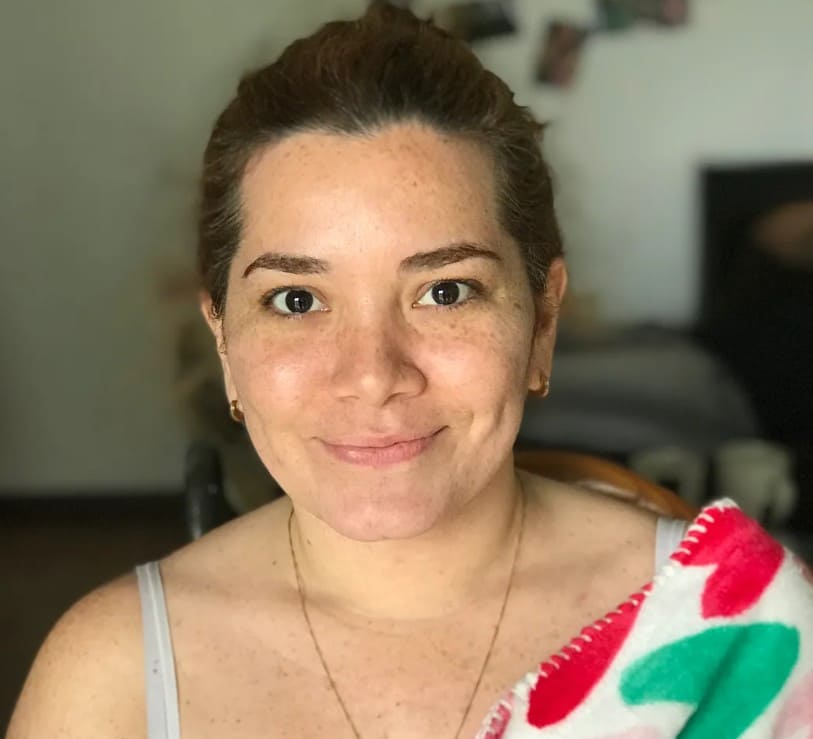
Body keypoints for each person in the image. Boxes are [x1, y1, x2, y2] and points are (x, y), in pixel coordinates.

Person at [9, 3, 813, 738]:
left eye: (445, 290)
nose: (371, 374)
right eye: (296, 300)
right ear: (222, 338)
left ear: (541, 320)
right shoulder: (113, 676)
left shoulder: (745, 631)